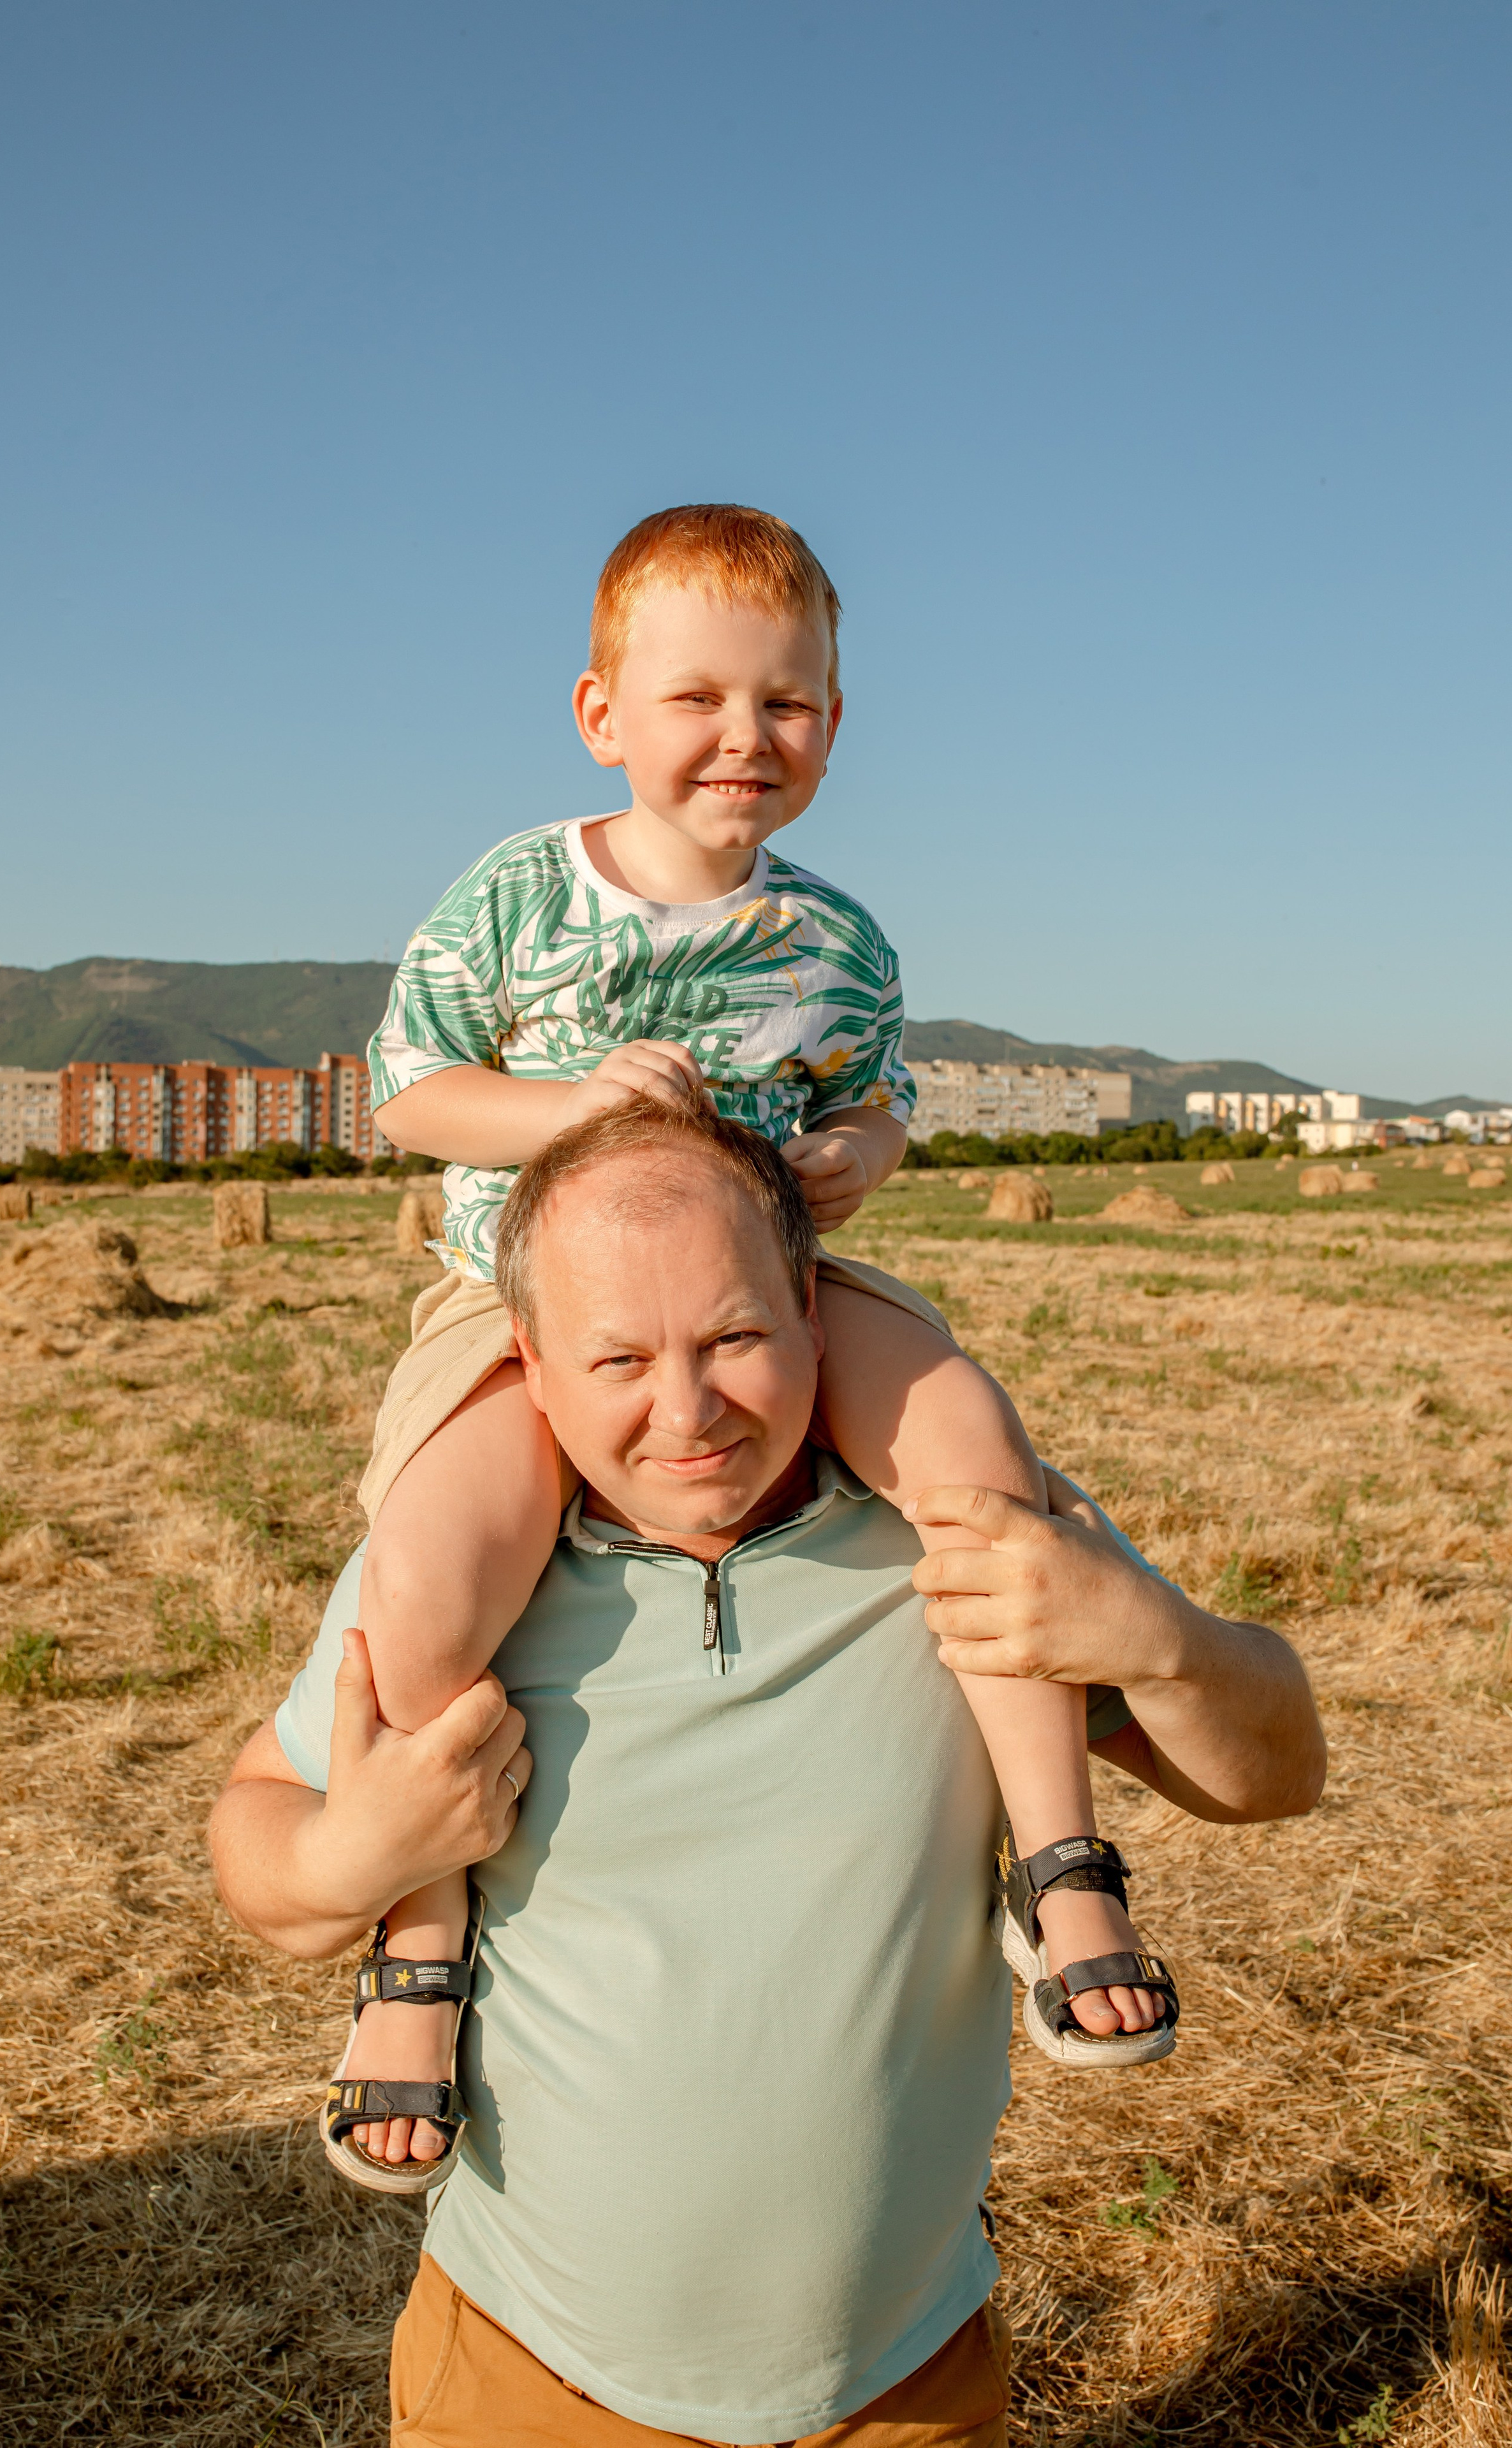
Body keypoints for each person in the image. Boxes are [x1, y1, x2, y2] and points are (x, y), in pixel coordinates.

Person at [210, 1098, 1326, 2447]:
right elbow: (260, 1837)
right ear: (529, 1361)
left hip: (903, 2386)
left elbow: (1273, 1775)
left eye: (733, 1337)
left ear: (810, 1307)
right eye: (617, 1358)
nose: (686, 1412)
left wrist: (1156, 1639)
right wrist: (356, 1854)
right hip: (529, 2381)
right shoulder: (451, 1579)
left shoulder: (955, 1529)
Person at [336, 504, 1170, 2184]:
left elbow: (880, 1108)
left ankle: (1060, 1858)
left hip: (771, 1295)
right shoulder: (516, 893)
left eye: (785, 705)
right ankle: (419, 1941)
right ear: (603, 716)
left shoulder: (840, 940)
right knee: (427, 1573)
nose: (743, 738)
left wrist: (866, 1156)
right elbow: (406, 1093)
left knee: (973, 1454)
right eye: (697, 699)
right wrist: (571, 1105)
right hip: (521, 1299)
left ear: (835, 728)